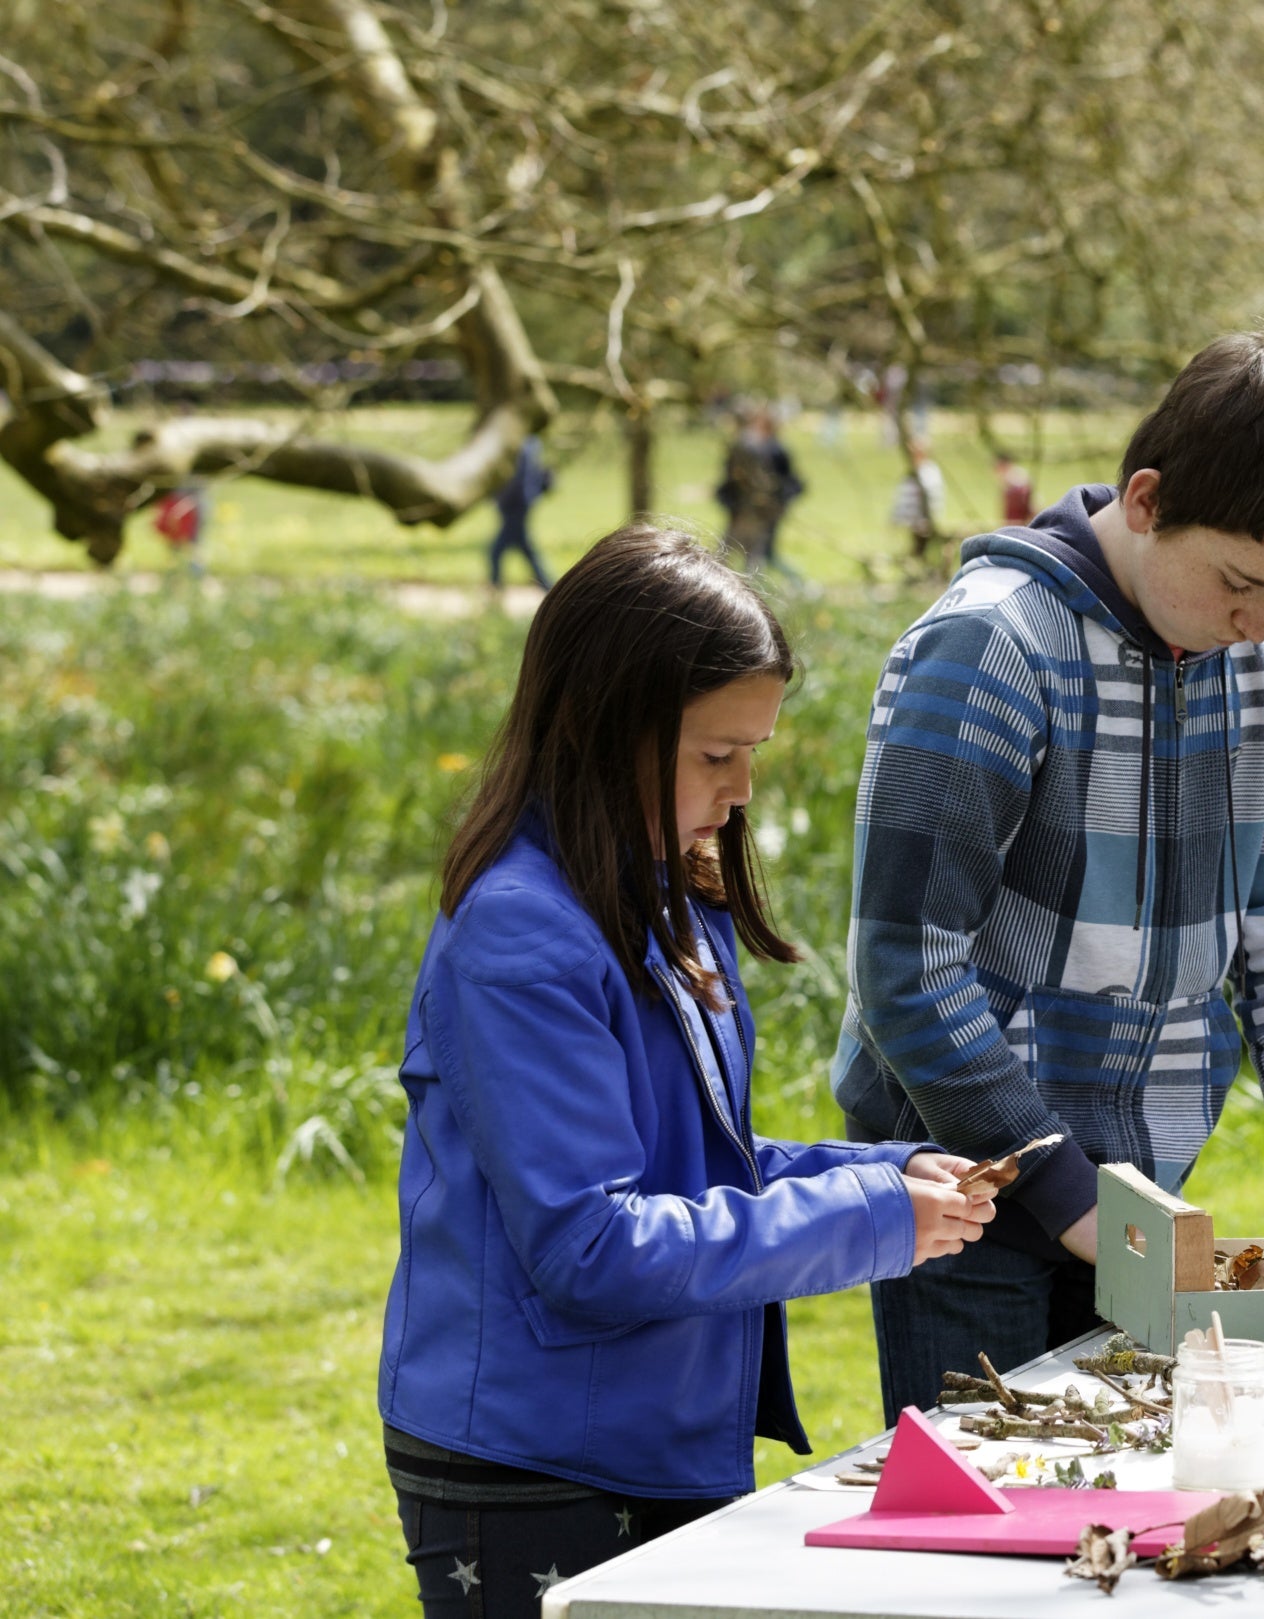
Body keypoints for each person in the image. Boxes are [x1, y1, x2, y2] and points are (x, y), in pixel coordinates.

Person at [377, 523, 997, 1615]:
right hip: (535, 1468)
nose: (744, 787)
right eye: (718, 754)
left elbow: (697, 1162)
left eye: (754, 749)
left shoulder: (661, 891)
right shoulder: (521, 933)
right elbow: (593, 1242)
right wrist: (868, 1217)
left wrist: (895, 1169)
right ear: (605, 728)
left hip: (652, 1440)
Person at [829, 329, 1264, 1418]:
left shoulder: (1262, 662)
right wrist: (1051, 1178)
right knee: (989, 1536)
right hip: (968, 1190)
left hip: (1144, 1195)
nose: (1260, 622)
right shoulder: (990, 647)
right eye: (1241, 581)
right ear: (1145, 499)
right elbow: (906, 962)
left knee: (1118, 1526)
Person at [716, 406, 805, 581]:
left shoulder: (776, 451)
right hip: (743, 513)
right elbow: (730, 481)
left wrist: (777, 503)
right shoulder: (744, 448)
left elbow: (791, 483)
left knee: (760, 555)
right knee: (731, 552)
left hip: (762, 515)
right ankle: (799, 584)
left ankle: (799, 584)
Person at [487, 433, 555, 590]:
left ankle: (495, 590)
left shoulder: (522, 445)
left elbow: (519, 480)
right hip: (520, 504)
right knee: (525, 550)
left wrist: (501, 499)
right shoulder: (530, 442)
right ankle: (549, 588)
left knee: (496, 551)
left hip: (516, 505)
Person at [889, 431, 952, 574]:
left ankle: (924, 574)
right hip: (913, 521)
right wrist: (897, 517)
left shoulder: (928, 473)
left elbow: (933, 499)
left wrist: (928, 519)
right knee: (915, 553)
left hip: (922, 522)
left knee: (919, 553)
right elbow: (904, 497)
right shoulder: (914, 473)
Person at [993, 453, 1035, 527]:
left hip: (1019, 516)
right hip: (1014, 517)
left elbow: (1026, 497)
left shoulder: (1015, 477)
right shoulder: (1006, 479)